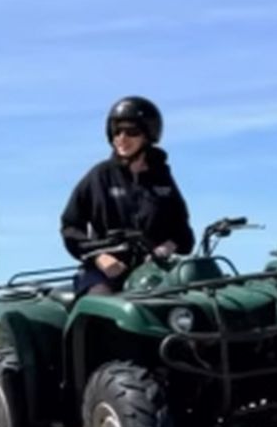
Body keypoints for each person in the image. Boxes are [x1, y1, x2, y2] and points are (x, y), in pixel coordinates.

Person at [61, 97, 194, 297]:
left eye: (132, 132)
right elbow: (70, 226)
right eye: (117, 131)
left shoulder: (162, 179)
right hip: (104, 272)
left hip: (154, 272)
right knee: (101, 298)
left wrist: (166, 248)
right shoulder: (99, 176)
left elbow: (181, 230)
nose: (122, 138)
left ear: (148, 136)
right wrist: (99, 257)